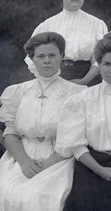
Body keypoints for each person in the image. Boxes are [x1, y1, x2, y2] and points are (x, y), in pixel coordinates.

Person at [56, 33, 111, 211]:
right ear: (100, 65)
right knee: (85, 202)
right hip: (92, 164)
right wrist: (99, 170)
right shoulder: (82, 99)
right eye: (107, 64)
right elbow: (76, 145)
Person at [0, 32, 85, 210]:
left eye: (52, 55)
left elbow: (74, 138)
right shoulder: (18, 91)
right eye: (40, 56)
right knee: (5, 191)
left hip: (59, 157)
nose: (47, 60)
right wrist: (24, 162)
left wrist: (46, 164)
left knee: (36, 195)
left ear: (61, 56)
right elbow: (11, 133)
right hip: (20, 155)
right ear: (32, 59)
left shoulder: (77, 93)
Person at [25, 0, 108, 86]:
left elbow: (101, 58)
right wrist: (50, 81)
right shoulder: (47, 25)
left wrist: (84, 81)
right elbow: (32, 58)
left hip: (89, 81)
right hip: (54, 81)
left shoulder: (97, 24)